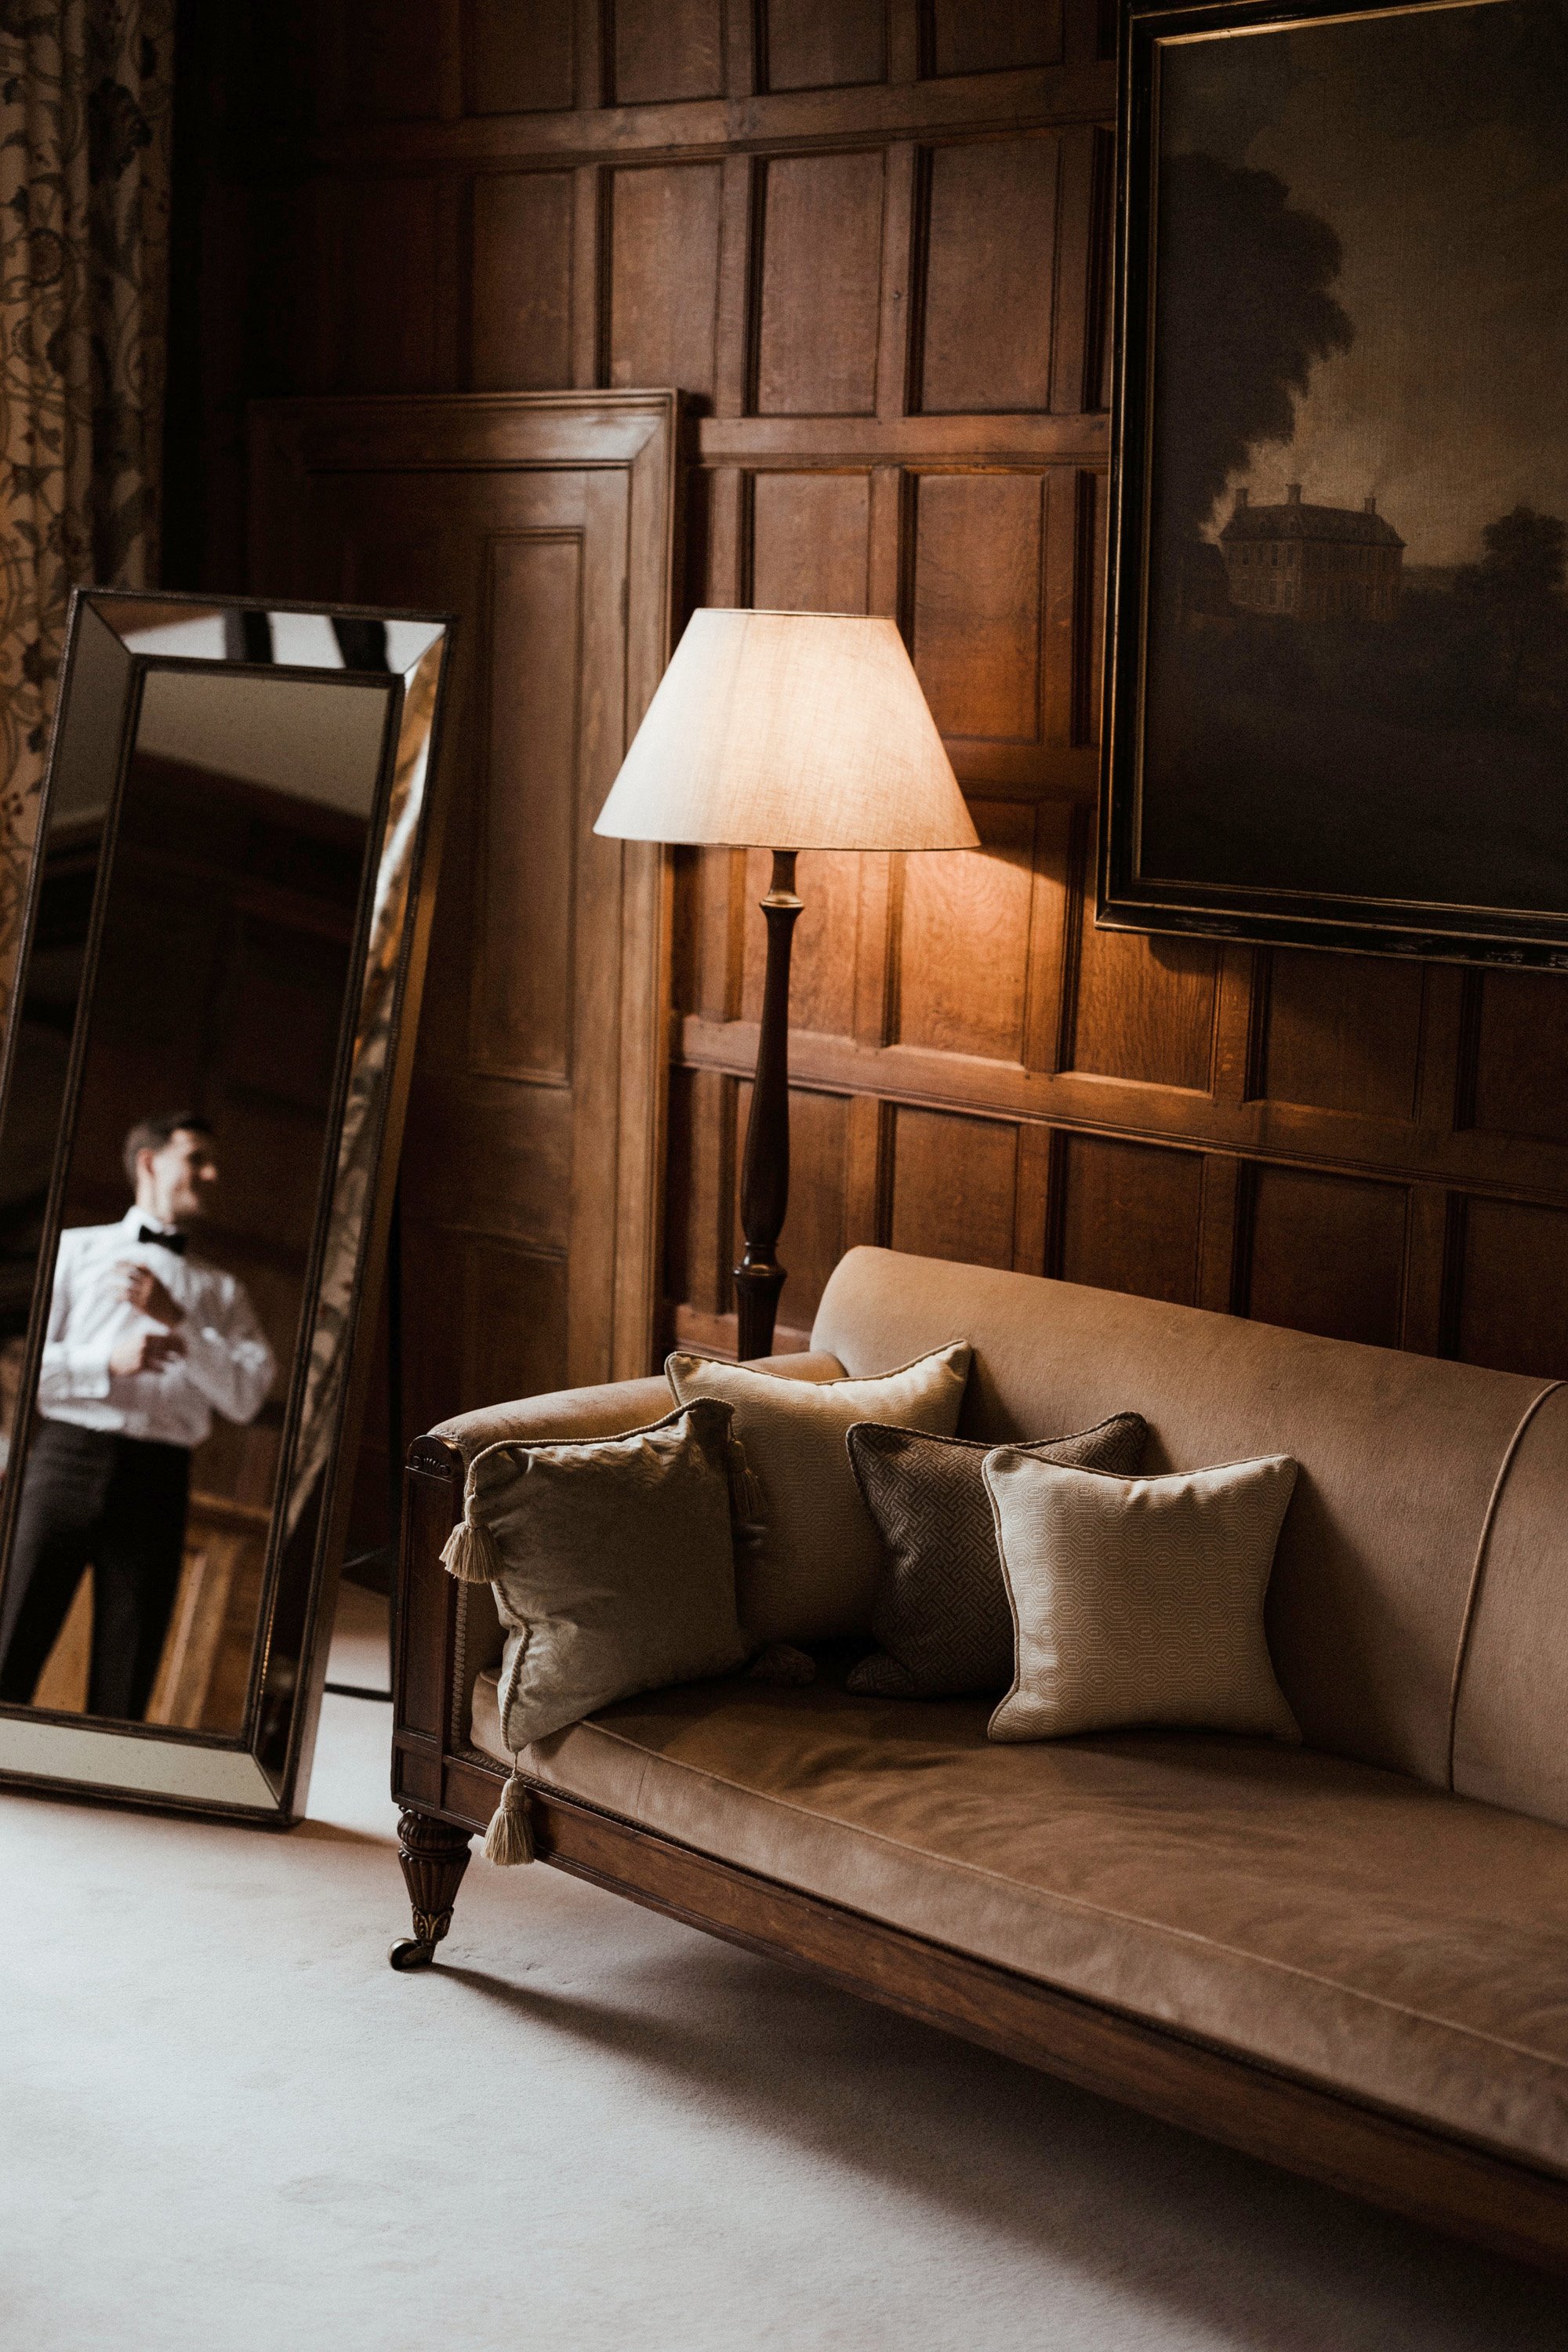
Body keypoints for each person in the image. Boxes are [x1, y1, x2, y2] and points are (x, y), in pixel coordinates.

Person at [0, 1114, 276, 1720]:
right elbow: (21, 1368)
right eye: (197, 1158)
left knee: (128, 1672)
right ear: (150, 1162)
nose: (212, 1173)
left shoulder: (223, 1294)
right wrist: (106, 1361)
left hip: (159, 1477)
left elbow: (246, 1398)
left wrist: (180, 1321)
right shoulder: (74, 1251)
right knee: (10, 1642)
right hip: (65, 1458)